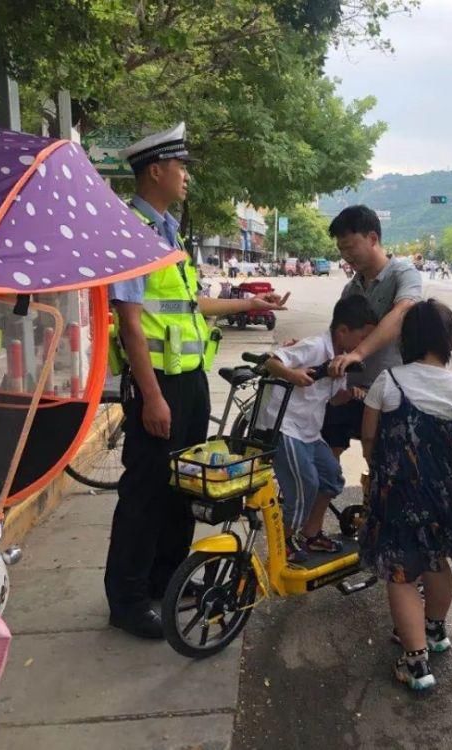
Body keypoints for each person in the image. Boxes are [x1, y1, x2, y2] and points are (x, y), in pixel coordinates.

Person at [103, 123, 287, 639]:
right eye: (180, 168)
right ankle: (129, 600)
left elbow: (188, 306)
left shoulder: (168, 231)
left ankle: (166, 581)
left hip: (188, 382)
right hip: (158, 385)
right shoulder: (131, 233)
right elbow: (131, 320)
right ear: (156, 171)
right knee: (144, 494)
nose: (186, 177)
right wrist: (153, 397)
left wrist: (250, 302)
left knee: (182, 488)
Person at [359, 299, 452, 691]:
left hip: (400, 494)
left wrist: (378, 471)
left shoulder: (388, 382)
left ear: (407, 340)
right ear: (449, 342)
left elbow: (370, 437)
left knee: (402, 573)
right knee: (436, 560)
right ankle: (435, 630)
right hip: (446, 495)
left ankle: (416, 663)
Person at [257, 296, 377, 562]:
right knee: (304, 487)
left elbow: (332, 398)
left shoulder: (341, 359)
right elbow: (270, 360)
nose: (362, 346)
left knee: (331, 478)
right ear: (343, 331)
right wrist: (293, 375)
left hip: (309, 432)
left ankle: (311, 535)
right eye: (361, 338)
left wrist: (348, 395)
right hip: (284, 426)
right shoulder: (314, 346)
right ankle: (284, 545)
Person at [324, 206, 423, 457]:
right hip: (350, 391)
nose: (346, 255)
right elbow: (336, 335)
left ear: (372, 239)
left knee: (382, 461)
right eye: (341, 250)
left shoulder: (403, 274)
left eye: (350, 247)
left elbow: (402, 313)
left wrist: (358, 353)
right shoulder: (351, 288)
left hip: (389, 392)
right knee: (325, 451)